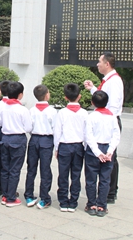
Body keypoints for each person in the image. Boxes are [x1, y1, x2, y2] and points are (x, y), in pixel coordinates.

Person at [84, 52, 124, 204]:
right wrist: (93, 89)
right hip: (105, 119)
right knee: (105, 156)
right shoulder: (108, 80)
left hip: (108, 121)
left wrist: (104, 121)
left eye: (99, 61)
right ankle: (106, 191)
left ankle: (110, 193)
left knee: (110, 157)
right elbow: (103, 99)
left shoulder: (114, 81)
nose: (97, 64)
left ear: (107, 64)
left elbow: (111, 105)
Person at [84, 90, 120, 217]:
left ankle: (91, 204)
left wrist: (97, 152)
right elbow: (116, 135)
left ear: (92, 103)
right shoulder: (112, 117)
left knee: (91, 178)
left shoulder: (91, 117)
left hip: (94, 150)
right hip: (108, 149)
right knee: (105, 179)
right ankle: (102, 206)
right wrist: (110, 151)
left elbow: (88, 136)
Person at [54, 83, 87, 212]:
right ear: (79, 96)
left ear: (65, 97)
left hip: (64, 146)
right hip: (78, 146)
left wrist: (56, 148)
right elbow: (86, 133)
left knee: (63, 174)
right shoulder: (84, 113)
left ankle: (63, 201)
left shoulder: (62, 113)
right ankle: (73, 202)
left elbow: (57, 132)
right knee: (76, 175)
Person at [0, 82, 32, 207]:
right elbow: (28, 127)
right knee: (15, 170)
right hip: (18, 139)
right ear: (20, 95)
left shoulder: (2, 107)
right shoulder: (23, 110)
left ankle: (5, 195)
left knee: (5, 168)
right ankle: (11, 198)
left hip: (5, 138)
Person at [24, 84, 56, 209]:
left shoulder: (31, 110)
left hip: (34, 139)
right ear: (47, 95)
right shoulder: (52, 111)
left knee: (31, 168)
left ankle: (29, 195)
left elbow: (29, 127)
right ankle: (44, 198)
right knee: (45, 169)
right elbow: (55, 128)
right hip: (47, 140)